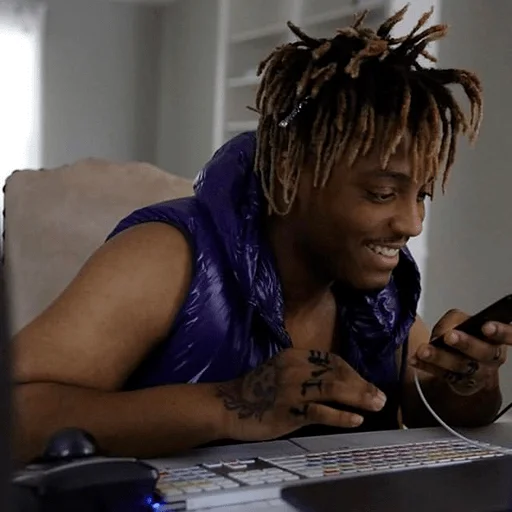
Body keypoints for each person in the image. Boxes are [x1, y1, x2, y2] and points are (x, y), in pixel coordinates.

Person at [13, 5, 511, 463]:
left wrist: (465, 385)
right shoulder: (167, 256)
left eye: (421, 195)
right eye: (382, 193)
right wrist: (229, 403)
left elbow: (429, 410)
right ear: (291, 174)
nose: (411, 224)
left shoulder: (379, 291)